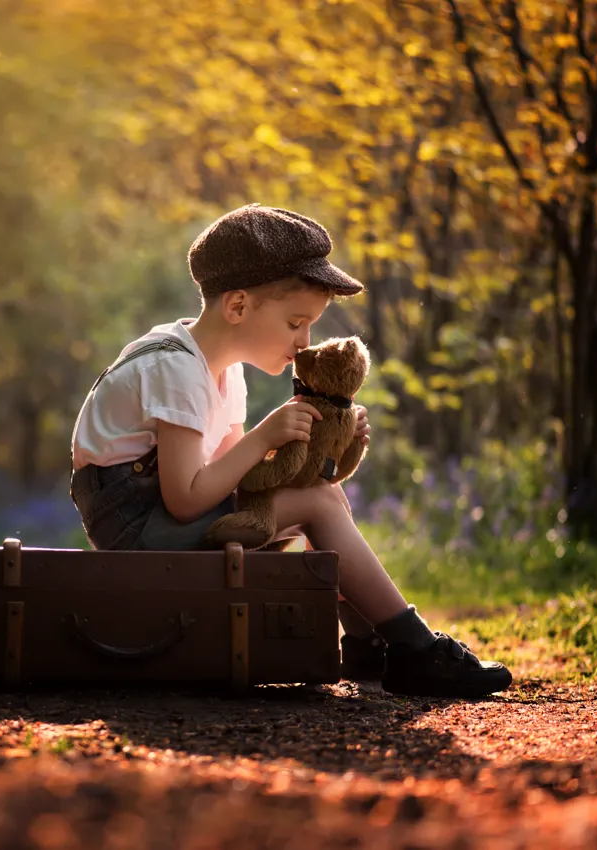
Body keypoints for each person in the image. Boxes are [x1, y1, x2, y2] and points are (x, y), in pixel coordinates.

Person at [68, 204, 512, 698]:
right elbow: (186, 500)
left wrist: (331, 453)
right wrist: (264, 436)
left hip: (156, 516)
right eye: (296, 323)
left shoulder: (221, 369)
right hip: (137, 529)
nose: (304, 343)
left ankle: (369, 643)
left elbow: (243, 480)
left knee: (319, 496)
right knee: (315, 504)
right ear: (237, 307)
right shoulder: (177, 371)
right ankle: (414, 649)